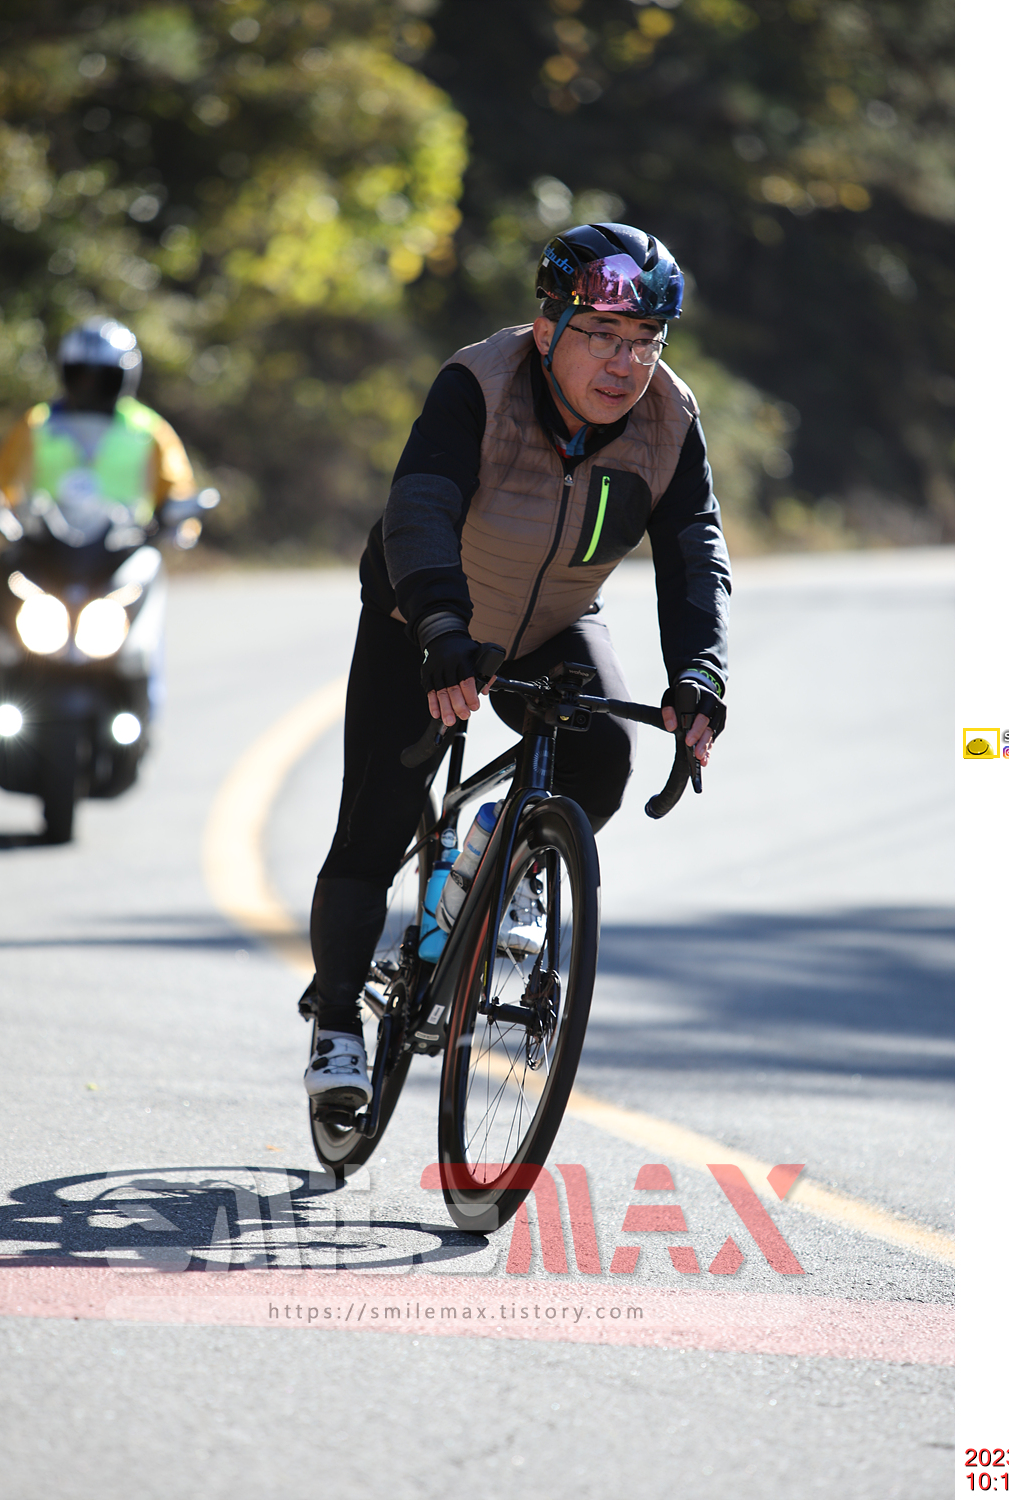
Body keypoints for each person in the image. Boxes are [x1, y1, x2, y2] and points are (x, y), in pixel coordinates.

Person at [304, 222, 733, 1110]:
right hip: (423, 618)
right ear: (547, 331)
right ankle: (337, 1021)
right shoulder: (481, 382)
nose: (625, 363)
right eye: (602, 335)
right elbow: (420, 506)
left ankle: (503, 855)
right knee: (378, 817)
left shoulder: (669, 418)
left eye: (646, 340)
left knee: (603, 759)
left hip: (552, 622)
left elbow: (695, 549)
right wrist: (441, 628)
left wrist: (700, 674)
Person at [0, 316, 196, 521]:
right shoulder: (38, 422)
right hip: (43, 541)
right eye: (81, 376)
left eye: (105, 378)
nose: (91, 386)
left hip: (127, 541)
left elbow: (178, 490)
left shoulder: (149, 429)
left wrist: (180, 523)